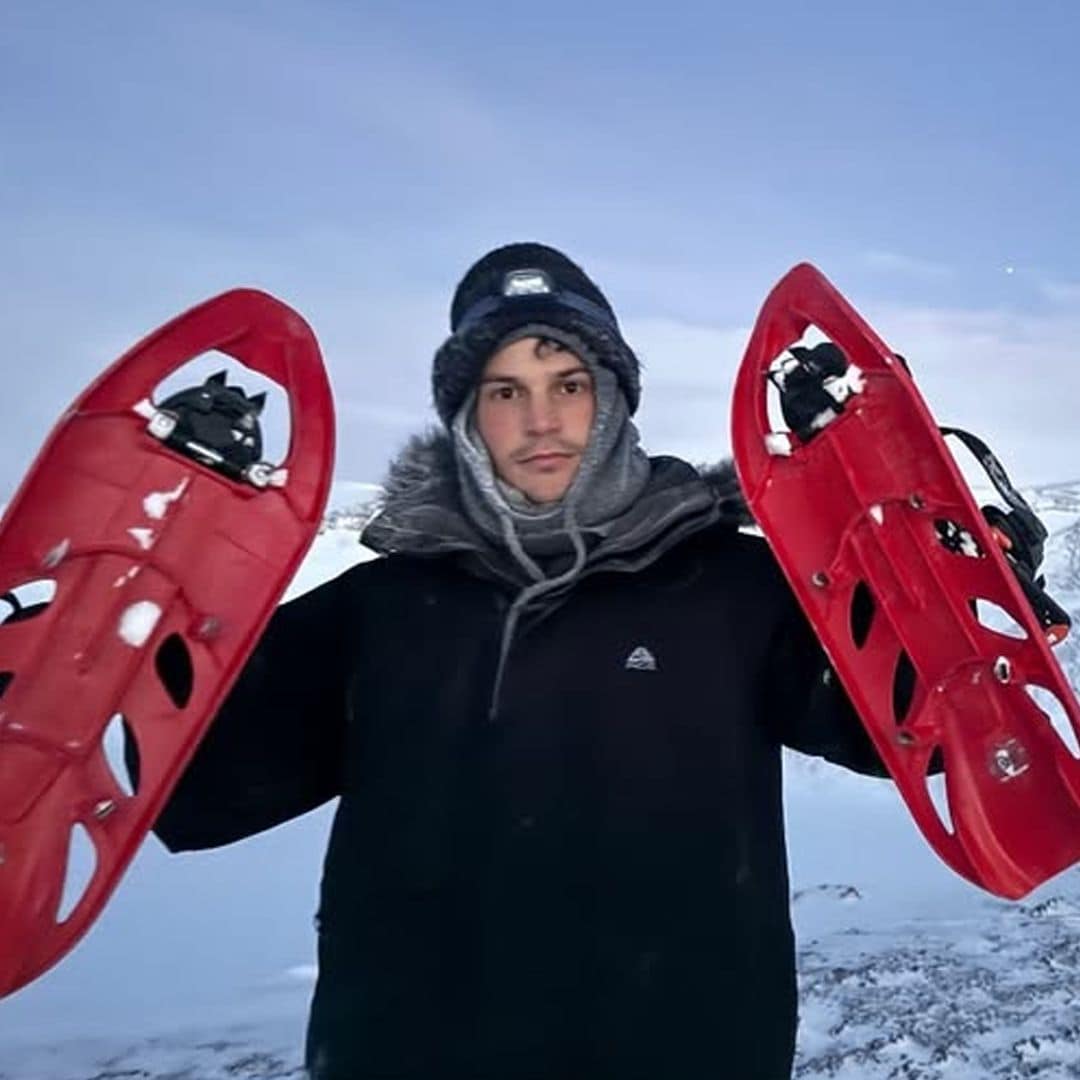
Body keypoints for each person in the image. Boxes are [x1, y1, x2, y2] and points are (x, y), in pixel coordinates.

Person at [151, 243, 887, 1080]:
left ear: (612, 398)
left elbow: (897, 725)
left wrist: (947, 589)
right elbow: (189, 780)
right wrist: (105, 639)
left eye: (568, 384)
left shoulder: (733, 586)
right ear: (466, 416)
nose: (542, 421)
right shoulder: (379, 608)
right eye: (506, 391)